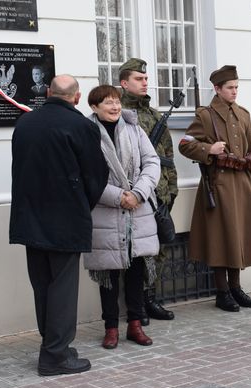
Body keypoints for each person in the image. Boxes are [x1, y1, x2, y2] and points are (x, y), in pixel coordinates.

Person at [9, 75, 109, 375]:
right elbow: (96, 176)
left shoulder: (25, 123)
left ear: (48, 92)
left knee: (42, 285)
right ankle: (55, 355)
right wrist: (82, 205)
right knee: (63, 289)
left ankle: (52, 345)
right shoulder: (82, 126)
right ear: (77, 97)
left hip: (29, 217)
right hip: (65, 219)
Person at [179, 65, 251, 312]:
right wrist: (209, 150)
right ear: (217, 89)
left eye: (237, 87)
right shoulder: (205, 115)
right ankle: (222, 291)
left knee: (238, 237)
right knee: (220, 239)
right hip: (219, 184)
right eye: (230, 88)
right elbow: (185, 145)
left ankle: (236, 288)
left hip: (241, 183)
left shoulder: (243, 114)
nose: (234, 92)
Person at [84, 84, 160, 349]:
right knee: (109, 274)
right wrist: (118, 197)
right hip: (106, 211)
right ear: (94, 107)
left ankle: (135, 325)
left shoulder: (133, 128)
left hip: (137, 210)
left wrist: (137, 193)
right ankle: (111, 328)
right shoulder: (87, 133)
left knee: (136, 271)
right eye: (107, 102)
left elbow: (152, 162)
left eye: (116, 101)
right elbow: (88, 176)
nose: (115, 106)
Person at [119, 58, 177, 323]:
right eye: (138, 79)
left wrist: (171, 191)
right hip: (133, 196)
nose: (145, 83)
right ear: (124, 83)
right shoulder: (118, 114)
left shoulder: (155, 116)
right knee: (133, 253)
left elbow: (166, 156)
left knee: (157, 250)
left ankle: (150, 299)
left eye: (145, 79)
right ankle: (135, 306)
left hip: (159, 195)